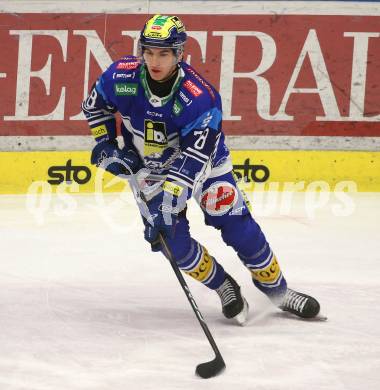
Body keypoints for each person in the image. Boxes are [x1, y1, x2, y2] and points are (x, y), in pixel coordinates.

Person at [82, 14, 321, 324]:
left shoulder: (199, 96)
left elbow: (195, 158)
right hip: (150, 172)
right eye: (149, 51)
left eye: (164, 53)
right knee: (174, 245)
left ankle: (276, 290)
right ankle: (224, 286)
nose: (155, 60)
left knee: (239, 227)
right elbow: (95, 107)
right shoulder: (121, 78)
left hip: (205, 167)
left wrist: (169, 202)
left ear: (179, 54)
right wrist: (106, 144)